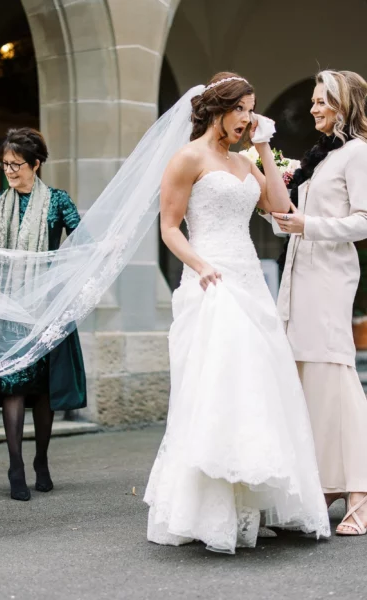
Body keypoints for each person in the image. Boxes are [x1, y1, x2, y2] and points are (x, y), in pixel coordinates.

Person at [143, 72, 330, 554]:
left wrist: (265, 148)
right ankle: (209, 510)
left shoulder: (246, 162)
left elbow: (281, 210)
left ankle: (248, 504)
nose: (248, 118)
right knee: (216, 387)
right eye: (242, 109)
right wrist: (201, 266)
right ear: (218, 110)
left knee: (257, 387)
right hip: (210, 280)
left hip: (248, 281)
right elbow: (169, 228)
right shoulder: (187, 158)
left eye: (252, 109)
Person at [0, 128, 87, 501]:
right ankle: (15, 466)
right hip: (6, 312)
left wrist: (61, 272)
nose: (10, 171)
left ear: (36, 164)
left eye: (17, 165)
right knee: (13, 388)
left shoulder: (57, 203)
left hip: (46, 310)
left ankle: (42, 461)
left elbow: (83, 241)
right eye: (5, 164)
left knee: (45, 392)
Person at [272, 70, 367, 536]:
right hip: (298, 278)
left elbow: (364, 222)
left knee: (335, 375)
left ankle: (361, 491)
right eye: (311, 101)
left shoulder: (358, 154)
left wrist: (308, 225)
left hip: (330, 278)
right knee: (307, 380)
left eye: (321, 101)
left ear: (344, 104)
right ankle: (329, 482)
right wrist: (281, 215)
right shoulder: (317, 158)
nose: (313, 108)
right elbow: (298, 221)